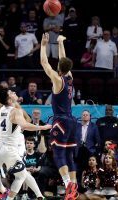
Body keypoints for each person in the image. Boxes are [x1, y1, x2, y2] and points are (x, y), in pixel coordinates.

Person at [0, 88, 51, 200]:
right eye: (12, 93)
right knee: (22, 175)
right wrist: (42, 127)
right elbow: (25, 124)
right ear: (9, 99)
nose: (15, 93)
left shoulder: (0, 110)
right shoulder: (15, 110)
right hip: (9, 148)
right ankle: (11, 198)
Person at [40, 33, 78, 199]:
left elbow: (44, 63)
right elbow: (63, 60)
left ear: (59, 69)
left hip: (61, 120)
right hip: (72, 120)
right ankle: (74, 188)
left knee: (58, 153)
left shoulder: (57, 79)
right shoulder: (70, 78)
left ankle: (68, 184)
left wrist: (43, 45)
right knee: (69, 154)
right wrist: (61, 42)